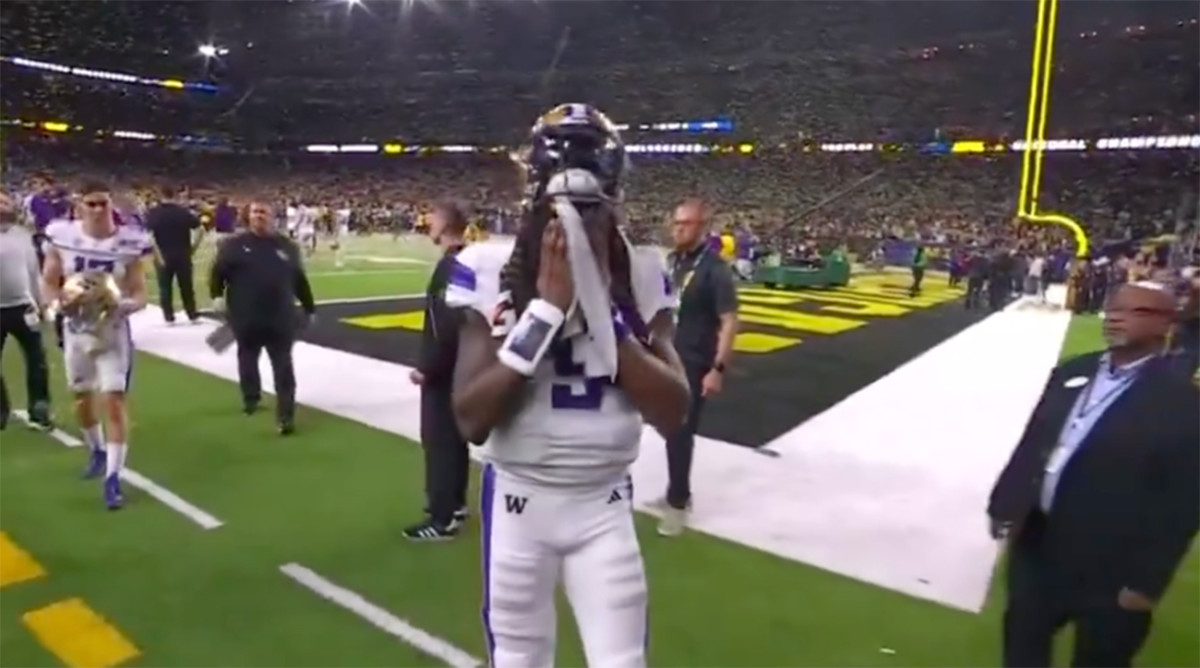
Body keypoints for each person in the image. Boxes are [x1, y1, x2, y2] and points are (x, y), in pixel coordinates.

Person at [448, 103, 689, 668]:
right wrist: (546, 315)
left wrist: (605, 314)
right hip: (517, 501)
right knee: (520, 660)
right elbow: (470, 418)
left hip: (603, 502)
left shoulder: (643, 270)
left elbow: (674, 411)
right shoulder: (487, 265)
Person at [987, 281, 1199, 668]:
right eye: (1113, 308)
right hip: (1040, 543)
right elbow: (1035, 442)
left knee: (1100, 658)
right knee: (1022, 642)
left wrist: (1147, 582)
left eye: (1136, 311)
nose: (1116, 317)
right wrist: (1005, 500)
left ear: (1165, 324)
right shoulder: (1074, 370)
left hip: (1112, 559)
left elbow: (1183, 502)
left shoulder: (1182, 402)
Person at [41, 180, 153, 509]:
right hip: (76, 331)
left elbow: (140, 293)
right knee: (81, 398)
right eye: (91, 204)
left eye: (103, 203)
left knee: (114, 401)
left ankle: (113, 479)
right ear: (79, 207)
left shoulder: (129, 241)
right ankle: (97, 450)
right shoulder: (63, 235)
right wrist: (55, 307)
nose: (98, 209)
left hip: (112, 332)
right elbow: (49, 281)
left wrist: (119, 304)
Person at [659, 199, 739, 537]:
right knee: (669, 428)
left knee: (680, 430)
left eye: (686, 224)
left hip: (695, 361)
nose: (679, 229)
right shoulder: (674, 261)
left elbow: (730, 321)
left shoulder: (715, 270)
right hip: (667, 355)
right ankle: (677, 492)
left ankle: (678, 502)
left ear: (702, 227)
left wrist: (717, 368)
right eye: (676, 222)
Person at [210, 201, 315, 435]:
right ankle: (251, 398)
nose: (259, 216)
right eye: (255, 212)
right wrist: (216, 296)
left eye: (264, 212)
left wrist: (309, 306)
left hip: (280, 318)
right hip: (246, 316)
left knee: (283, 366)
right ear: (248, 216)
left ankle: (285, 416)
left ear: (273, 217)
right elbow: (218, 274)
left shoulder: (287, 246)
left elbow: (298, 279)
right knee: (247, 360)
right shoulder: (233, 246)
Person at [403, 201, 472, 541]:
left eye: (432, 218)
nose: (426, 223)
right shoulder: (467, 261)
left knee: (439, 440)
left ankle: (442, 517)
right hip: (464, 367)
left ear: (444, 224)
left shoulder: (450, 266)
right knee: (455, 440)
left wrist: (427, 369)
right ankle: (456, 504)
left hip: (446, 372)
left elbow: (444, 326)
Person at [0, 191, 52, 430]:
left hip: (23, 307)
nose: (3, 205)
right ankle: (1, 410)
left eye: (5, 201)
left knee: (37, 360)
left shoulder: (23, 236)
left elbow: (34, 272)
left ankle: (39, 409)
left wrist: (41, 304)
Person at [145, 186, 203, 324]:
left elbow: (149, 236)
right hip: (183, 254)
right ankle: (192, 314)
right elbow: (200, 229)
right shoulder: (183, 212)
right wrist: (194, 247)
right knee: (186, 286)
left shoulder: (154, 213)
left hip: (163, 253)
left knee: (165, 287)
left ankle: (169, 317)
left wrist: (157, 254)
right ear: (175, 196)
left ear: (160, 195)